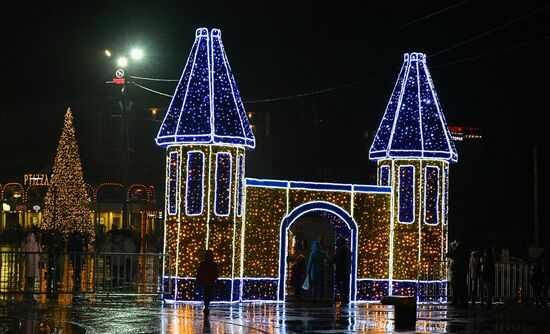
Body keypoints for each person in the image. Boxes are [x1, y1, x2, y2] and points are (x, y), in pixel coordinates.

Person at [446, 237, 469, 307]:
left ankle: (460, 302)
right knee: (460, 285)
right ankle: (459, 301)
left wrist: (448, 254)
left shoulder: (459, 248)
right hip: (461, 270)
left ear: (457, 242)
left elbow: (452, 254)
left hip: (458, 270)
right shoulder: (464, 248)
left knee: (458, 285)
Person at [21, 231, 43, 303]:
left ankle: (29, 290)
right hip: (35, 263)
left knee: (29, 277)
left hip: (29, 264)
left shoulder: (26, 245)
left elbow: (23, 254)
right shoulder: (37, 244)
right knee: (33, 277)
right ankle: (31, 290)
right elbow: (41, 253)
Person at [196, 249, 219, 316]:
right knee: (208, 294)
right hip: (209, 281)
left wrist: (201, 279)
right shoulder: (213, 264)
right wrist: (212, 279)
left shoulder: (203, 264)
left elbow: (199, 272)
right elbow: (216, 274)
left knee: (206, 294)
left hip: (206, 281)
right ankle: (206, 306)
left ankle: (206, 306)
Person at [333, 237, 351, 304]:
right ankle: (345, 296)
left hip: (340, 269)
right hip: (347, 269)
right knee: (345, 284)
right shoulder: (348, 248)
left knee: (338, 282)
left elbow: (335, 258)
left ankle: (343, 295)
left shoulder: (340, 249)